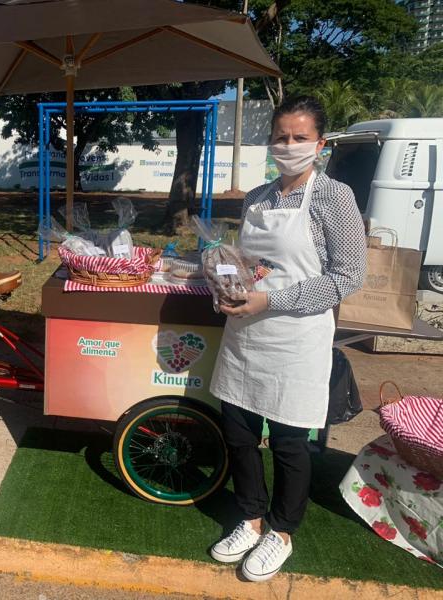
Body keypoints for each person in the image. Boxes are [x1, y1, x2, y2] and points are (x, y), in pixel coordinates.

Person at [208, 96, 366, 581]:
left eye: (300, 138)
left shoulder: (333, 197)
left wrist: (271, 302)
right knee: (238, 433)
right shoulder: (256, 197)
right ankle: (251, 518)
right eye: (281, 137)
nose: (289, 146)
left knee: (289, 442)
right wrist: (225, 278)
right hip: (244, 336)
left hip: (296, 339)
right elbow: (250, 262)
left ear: (320, 144)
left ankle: (281, 531)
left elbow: (348, 276)